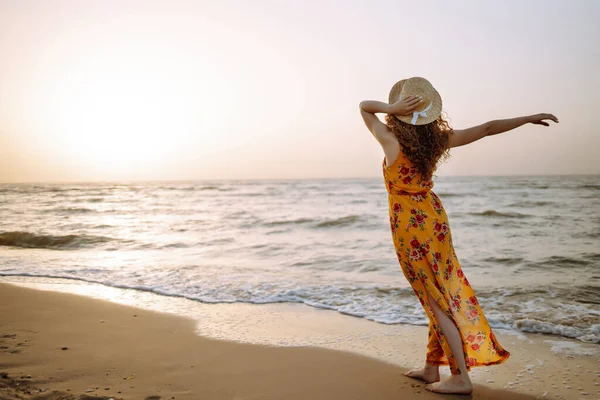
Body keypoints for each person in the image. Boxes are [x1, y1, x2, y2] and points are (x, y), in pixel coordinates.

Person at [359, 77, 558, 395]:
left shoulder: (389, 140)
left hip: (410, 229)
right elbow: (489, 127)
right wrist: (527, 119)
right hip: (435, 222)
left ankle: (461, 377)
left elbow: (363, 108)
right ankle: (430, 368)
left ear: (400, 112)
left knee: (436, 300)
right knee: (435, 292)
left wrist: (389, 108)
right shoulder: (437, 142)